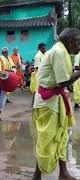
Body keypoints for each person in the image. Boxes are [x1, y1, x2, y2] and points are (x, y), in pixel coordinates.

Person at [32, 28, 80, 180]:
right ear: (71, 41)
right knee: (46, 140)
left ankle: (63, 173)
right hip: (48, 103)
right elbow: (63, 81)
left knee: (62, 136)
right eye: (78, 42)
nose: (79, 46)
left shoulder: (61, 51)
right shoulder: (58, 52)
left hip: (56, 100)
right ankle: (36, 176)